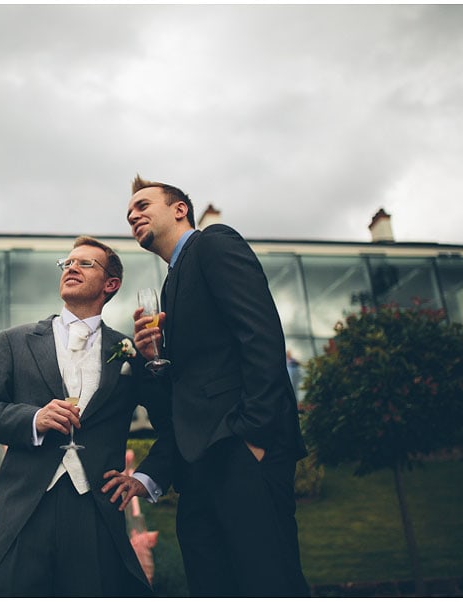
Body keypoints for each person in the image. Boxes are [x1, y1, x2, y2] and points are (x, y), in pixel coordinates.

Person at [109, 175, 309, 597]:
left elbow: (260, 335)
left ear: (179, 208)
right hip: (198, 465)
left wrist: (254, 435)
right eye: (129, 215)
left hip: (241, 450)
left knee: (266, 581)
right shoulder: (169, 283)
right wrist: (152, 361)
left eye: (143, 205)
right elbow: (187, 387)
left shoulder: (214, 243)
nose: (133, 216)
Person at [0, 236, 175, 597]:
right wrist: (34, 418)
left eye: (84, 264)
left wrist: (145, 477)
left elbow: (172, 425)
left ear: (110, 285)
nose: (71, 268)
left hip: (96, 508)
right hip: (26, 507)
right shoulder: (14, 341)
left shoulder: (130, 352)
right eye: (67, 263)